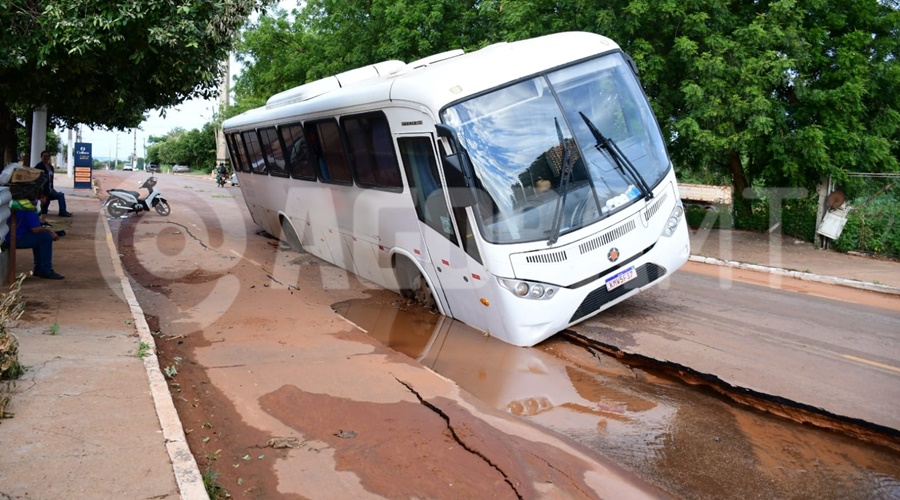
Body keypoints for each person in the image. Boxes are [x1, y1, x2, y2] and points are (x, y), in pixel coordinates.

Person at [5, 203, 65, 280]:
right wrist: (50, 232)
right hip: (16, 239)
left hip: (9, 237)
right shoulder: (29, 208)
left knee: (40, 238)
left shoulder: (17, 205)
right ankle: (46, 269)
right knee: (46, 237)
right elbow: (35, 229)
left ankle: (39, 268)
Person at [33, 150, 72, 224]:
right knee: (45, 202)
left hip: (50, 190)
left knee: (60, 195)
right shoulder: (39, 166)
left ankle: (62, 211)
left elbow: (51, 180)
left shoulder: (51, 167)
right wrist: (41, 193)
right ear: (41, 157)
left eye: (47, 156)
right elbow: (37, 180)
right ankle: (41, 220)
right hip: (43, 191)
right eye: (44, 156)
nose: (46, 158)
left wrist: (52, 189)